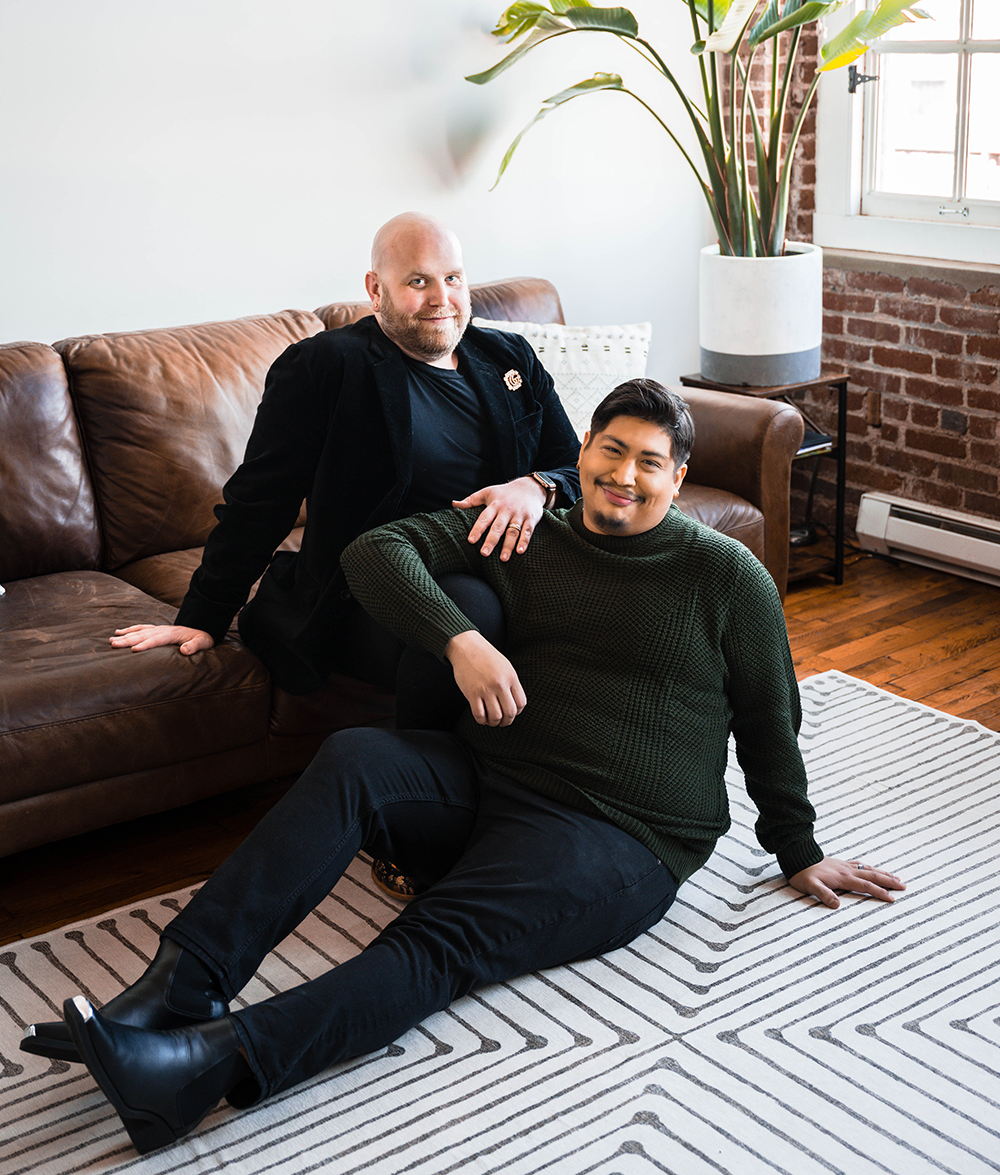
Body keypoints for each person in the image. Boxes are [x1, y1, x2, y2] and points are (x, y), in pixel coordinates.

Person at [22, 379, 905, 1156]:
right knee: (357, 755)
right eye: (610, 450)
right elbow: (375, 552)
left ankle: (199, 1068)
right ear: (581, 453)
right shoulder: (533, 536)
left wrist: (797, 847)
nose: (624, 475)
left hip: (621, 835)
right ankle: (178, 989)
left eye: (649, 461)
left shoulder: (726, 576)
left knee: (440, 937)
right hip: (496, 777)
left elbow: (769, 719)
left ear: (677, 478)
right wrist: (462, 638)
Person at [107, 211, 582, 699]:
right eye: (418, 281)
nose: (442, 299)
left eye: (453, 279)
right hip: (373, 588)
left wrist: (536, 485)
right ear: (375, 290)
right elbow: (260, 501)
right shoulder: (325, 366)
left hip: (507, 568)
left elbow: (575, 469)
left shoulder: (509, 357)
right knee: (472, 611)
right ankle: (421, 769)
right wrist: (204, 616)